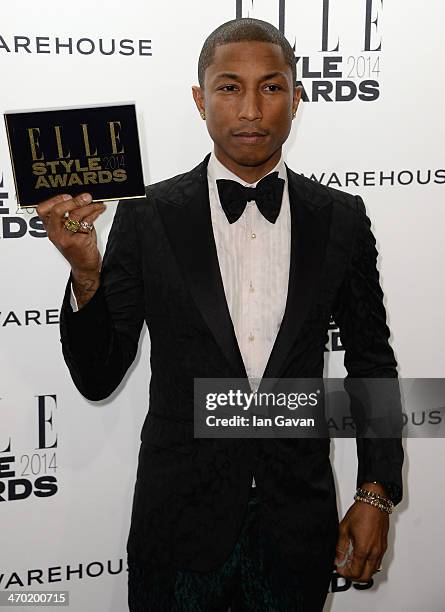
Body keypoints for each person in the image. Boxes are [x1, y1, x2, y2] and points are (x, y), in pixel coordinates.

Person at [36, 17, 403, 612]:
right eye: (230, 87)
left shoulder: (341, 217)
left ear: (297, 96)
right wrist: (85, 274)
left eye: (272, 86)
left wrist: (376, 492)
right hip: (177, 524)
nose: (252, 109)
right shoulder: (148, 214)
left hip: (297, 524)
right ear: (199, 99)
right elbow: (98, 375)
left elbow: (371, 362)